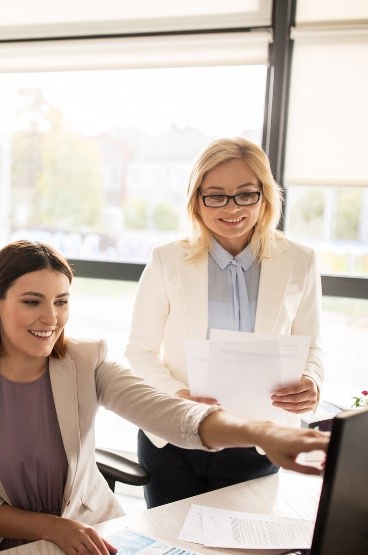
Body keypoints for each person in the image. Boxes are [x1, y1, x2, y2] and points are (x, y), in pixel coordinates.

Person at [0, 240, 329, 555]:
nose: (51, 319)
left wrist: (264, 434)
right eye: (32, 302)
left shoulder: (87, 360)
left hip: (93, 535)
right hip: (3, 544)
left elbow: (171, 414)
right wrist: (53, 528)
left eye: (61, 301)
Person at [125, 137, 324, 508]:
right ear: (196, 199)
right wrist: (178, 397)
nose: (231, 208)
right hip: (176, 436)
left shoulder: (299, 260)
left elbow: (311, 344)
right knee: (172, 544)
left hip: (259, 440)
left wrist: (312, 381)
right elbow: (140, 351)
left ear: (264, 196)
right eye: (215, 195)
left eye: (245, 194)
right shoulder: (168, 260)